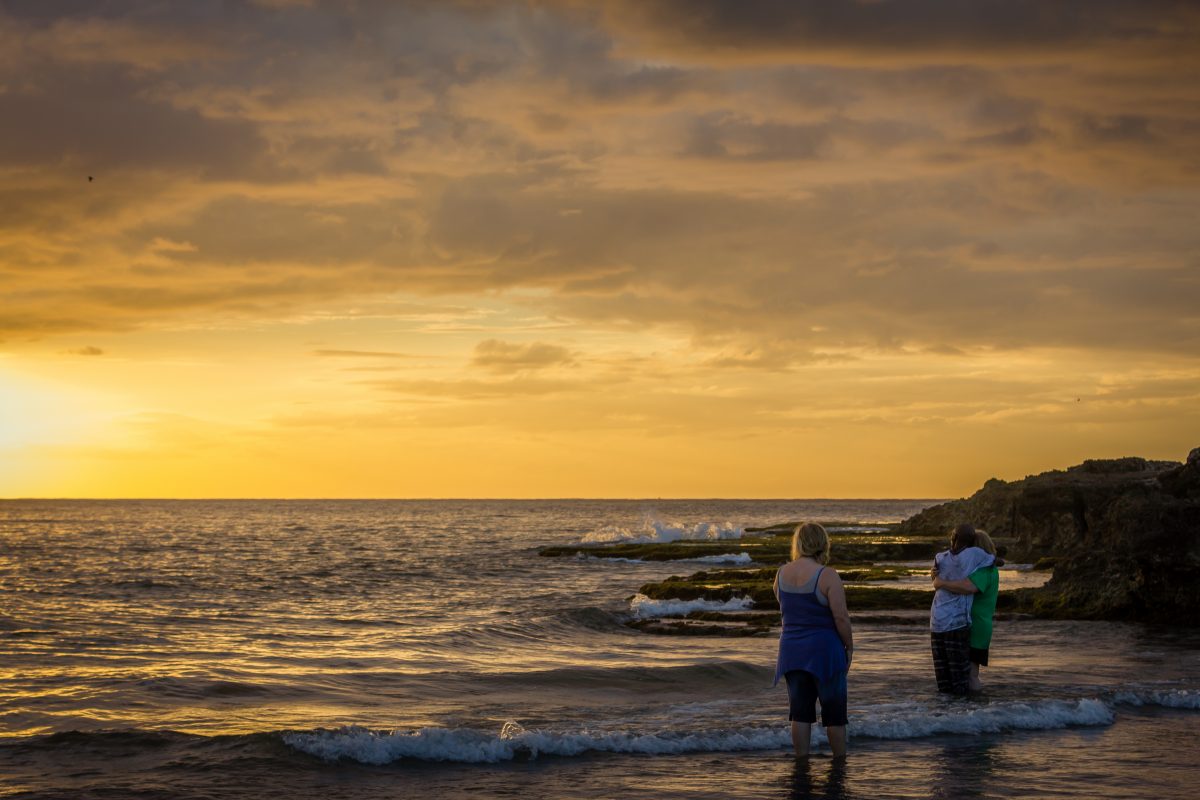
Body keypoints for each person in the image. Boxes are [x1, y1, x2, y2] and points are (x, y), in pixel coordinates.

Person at [774, 522, 854, 758]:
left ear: (797, 543)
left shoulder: (781, 574)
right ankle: (839, 764)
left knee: (799, 713)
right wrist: (849, 646)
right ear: (823, 543)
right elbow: (841, 617)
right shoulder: (827, 575)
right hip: (824, 651)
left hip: (791, 650)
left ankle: (802, 764)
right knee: (834, 714)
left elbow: (786, 609)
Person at [934, 530, 1004, 692]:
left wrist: (941, 583)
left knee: (970, 674)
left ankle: (974, 709)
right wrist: (935, 576)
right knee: (967, 673)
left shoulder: (985, 570)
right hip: (975, 624)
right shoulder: (980, 568)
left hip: (976, 625)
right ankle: (969, 709)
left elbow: (968, 587)